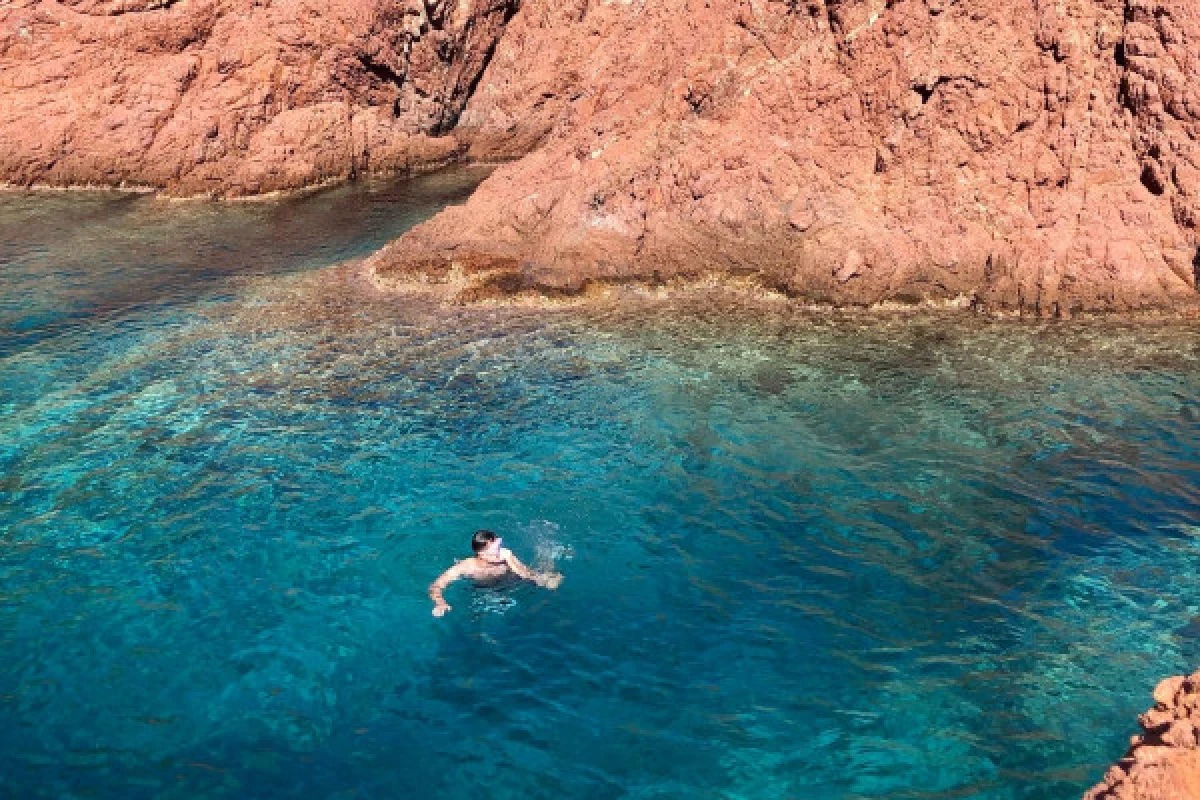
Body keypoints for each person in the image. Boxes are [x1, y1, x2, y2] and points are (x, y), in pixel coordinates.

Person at [429, 530, 562, 617]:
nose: (499, 552)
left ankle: (549, 552)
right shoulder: (466, 567)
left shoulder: (505, 554)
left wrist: (542, 580)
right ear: (481, 553)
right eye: (494, 549)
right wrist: (440, 603)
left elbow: (523, 572)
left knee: (552, 582)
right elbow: (436, 586)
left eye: (499, 545)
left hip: (512, 582)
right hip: (485, 591)